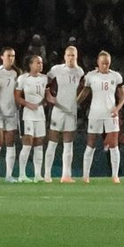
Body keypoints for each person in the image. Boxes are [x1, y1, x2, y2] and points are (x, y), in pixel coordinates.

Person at [77, 50, 124, 185]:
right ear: (98, 62)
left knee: (114, 146)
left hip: (111, 114)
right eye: (103, 63)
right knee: (90, 144)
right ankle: (85, 175)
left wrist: (117, 108)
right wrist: (74, 103)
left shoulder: (116, 76)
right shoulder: (91, 76)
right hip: (95, 114)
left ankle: (115, 176)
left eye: (107, 63)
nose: (105, 65)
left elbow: (123, 96)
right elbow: (85, 92)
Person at [44, 44, 83, 183]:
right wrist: (48, 94)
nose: (71, 58)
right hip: (58, 110)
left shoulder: (80, 72)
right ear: (64, 56)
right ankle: (47, 174)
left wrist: (78, 102)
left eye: (73, 55)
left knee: (68, 144)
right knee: (53, 142)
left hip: (71, 111)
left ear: (77, 57)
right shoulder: (57, 69)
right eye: (69, 55)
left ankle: (66, 175)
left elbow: (83, 89)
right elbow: (45, 80)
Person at [14, 54, 48, 183]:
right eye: (37, 63)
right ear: (30, 65)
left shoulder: (44, 78)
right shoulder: (23, 78)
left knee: (39, 144)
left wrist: (49, 100)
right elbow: (16, 96)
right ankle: (22, 174)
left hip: (40, 115)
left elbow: (47, 95)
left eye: (41, 62)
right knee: (27, 144)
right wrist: (27, 104)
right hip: (27, 115)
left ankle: (38, 174)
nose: (40, 65)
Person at [0, 47, 20, 184]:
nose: (11, 58)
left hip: (12, 111)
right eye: (9, 56)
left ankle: (9, 175)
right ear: (2, 57)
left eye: (13, 56)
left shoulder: (17, 73)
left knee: (10, 143)